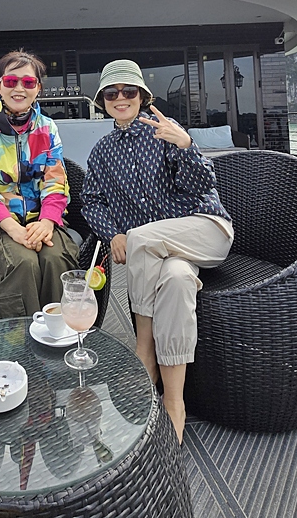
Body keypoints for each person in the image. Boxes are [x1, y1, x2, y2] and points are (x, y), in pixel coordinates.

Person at [81, 59, 233, 443]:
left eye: (128, 91)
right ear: (102, 101)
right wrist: (112, 233)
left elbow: (204, 185)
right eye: (111, 93)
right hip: (165, 256)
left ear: (142, 96)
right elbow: (91, 202)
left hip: (205, 229)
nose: (120, 98)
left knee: (141, 237)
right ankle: (174, 401)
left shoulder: (165, 131)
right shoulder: (101, 152)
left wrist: (185, 145)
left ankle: (143, 353)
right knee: (177, 281)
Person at [0, 50, 80, 318]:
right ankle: (20, 338)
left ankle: (59, 331)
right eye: (10, 81)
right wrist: (13, 229)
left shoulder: (47, 128)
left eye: (28, 82)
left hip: (41, 219)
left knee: (56, 259)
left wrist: (47, 222)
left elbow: (56, 182)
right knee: (22, 263)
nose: (19, 88)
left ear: (38, 88)